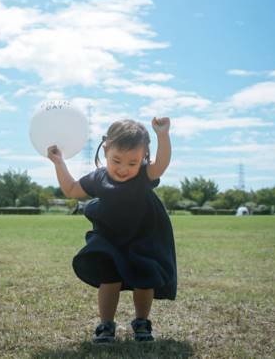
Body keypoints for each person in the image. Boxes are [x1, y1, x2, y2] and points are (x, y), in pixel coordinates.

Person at [47, 117, 177, 344]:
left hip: (143, 235)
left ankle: (141, 323)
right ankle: (106, 325)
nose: (124, 169)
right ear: (106, 149)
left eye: (132, 162)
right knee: (109, 277)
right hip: (110, 237)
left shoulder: (144, 175)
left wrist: (162, 136)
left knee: (145, 279)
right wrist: (59, 163)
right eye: (116, 160)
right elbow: (71, 189)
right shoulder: (98, 178)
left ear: (144, 157)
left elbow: (161, 164)